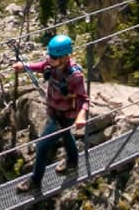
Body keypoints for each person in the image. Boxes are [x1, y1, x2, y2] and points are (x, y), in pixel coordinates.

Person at [13, 33, 88, 195]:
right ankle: (73, 163)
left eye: (54, 57)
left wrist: (81, 115)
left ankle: (35, 181)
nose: (50, 59)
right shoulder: (52, 65)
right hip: (54, 111)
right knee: (66, 135)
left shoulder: (75, 76)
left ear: (65, 57)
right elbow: (41, 66)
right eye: (50, 56)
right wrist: (25, 67)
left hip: (65, 115)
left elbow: (83, 98)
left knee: (42, 146)